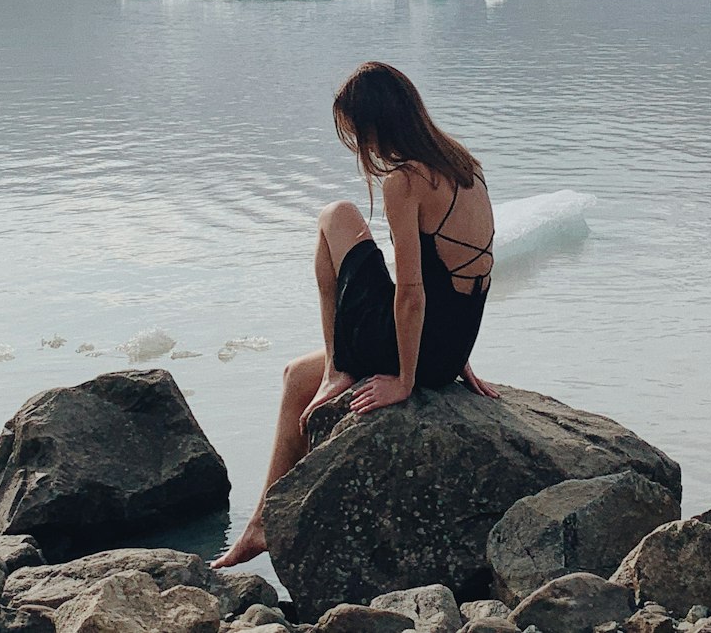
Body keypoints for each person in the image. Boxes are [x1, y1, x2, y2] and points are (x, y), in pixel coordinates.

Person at [211, 61, 497, 569]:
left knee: (334, 215)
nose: (358, 146)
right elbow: (471, 274)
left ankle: (337, 368)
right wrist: (458, 354)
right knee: (294, 375)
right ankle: (259, 525)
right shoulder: (464, 164)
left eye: (355, 131)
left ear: (373, 125)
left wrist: (406, 380)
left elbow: (410, 292)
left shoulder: (406, 179)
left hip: (421, 352)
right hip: (446, 343)